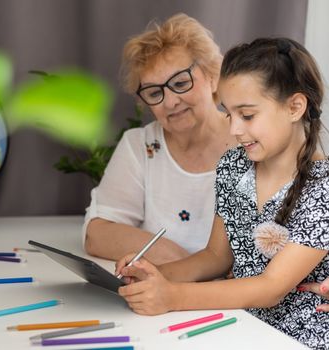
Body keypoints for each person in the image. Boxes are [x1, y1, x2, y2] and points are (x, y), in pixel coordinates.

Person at [116, 37, 329, 349]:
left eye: (247, 115)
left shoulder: (323, 189)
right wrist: (153, 275)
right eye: (228, 114)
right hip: (236, 321)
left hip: (299, 337)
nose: (234, 130)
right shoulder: (233, 165)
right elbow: (216, 256)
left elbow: (271, 288)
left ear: (295, 107)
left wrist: (172, 296)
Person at [83, 13, 237, 264]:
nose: (170, 101)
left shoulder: (252, 141)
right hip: (163, 293)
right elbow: (97, 235)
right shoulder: (139, 146)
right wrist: (185, 265)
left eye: (180, 82)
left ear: (212, 76)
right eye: (155, 92)